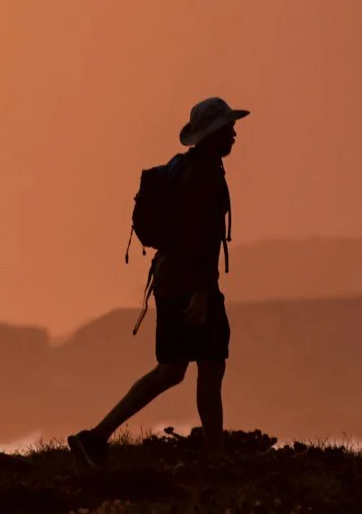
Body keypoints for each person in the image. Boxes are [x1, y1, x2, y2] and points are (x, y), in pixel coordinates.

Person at [68, 97, 246, 466]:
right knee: (208, 365)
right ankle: (215, 459)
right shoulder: (203, 176)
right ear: (211, 134)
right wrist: (201, 294)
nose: (233, 133)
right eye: (227, 128)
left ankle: (96, 438)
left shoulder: (191, 170)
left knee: (173, 370)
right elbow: (199, 238)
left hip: (170, 281)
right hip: (191, 285)